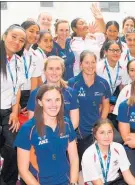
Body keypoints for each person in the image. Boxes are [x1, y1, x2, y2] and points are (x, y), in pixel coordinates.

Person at [14, 84, 79, 185]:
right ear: (40, 102)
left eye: (57, 100)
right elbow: (23, 170)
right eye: (48, 100)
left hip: (66, 181)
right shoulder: (28, 129)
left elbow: (74, 157)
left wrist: (74, 182)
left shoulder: (66, 123)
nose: (54, 104)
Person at [68, 50, 112, 167]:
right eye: (87, 63)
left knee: (95, 163)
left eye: (93, 62)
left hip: (95, 129)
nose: (90, 66)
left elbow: (106, 105)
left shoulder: (103, 83)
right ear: (80, 65)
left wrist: (100, 125)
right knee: (79, 164)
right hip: (78, 130)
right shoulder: (72, 83)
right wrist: (71, 131)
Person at [0, 24, 26, 185]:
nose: (17, 42)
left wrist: (15, 112)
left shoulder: (19, 61)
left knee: (14, 145)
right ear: (4, 36)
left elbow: (17, 90)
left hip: (8, 111)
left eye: (21, 40)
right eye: (13, 37)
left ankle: (8, 180)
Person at [27, 56, 79, 130]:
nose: (54, 72)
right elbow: (31, 121)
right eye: (51, 69)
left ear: (62, 71)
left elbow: (75, 122)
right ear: (44, 71)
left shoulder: (71, 93)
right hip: (42, 137)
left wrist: (62, 136)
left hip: (65, 136)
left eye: (58, 69)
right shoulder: (35, 93)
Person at [82, 118, 135, 185]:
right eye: (102, 133)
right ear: (95, 135)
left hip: (115, 182)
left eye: (109, 132)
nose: (107, 136)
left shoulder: (119, 148)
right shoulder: (88, 154)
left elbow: (127, 175)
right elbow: (97, 182)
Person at [70, 5, 106, 76]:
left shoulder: (94, 37)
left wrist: (100, 19)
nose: (85, 25)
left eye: (85, 23)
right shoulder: (71, 42)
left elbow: (104, 32)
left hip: (97, 75)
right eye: (81, 23)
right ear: (74, 28)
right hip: (79, 77)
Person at [19, 21, 41, 110]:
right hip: (12, 94)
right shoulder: (14, 52)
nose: (34, 35)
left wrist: (31, 103)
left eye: (37, 33)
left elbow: (35, 80)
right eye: (31, 31)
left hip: (28, 95)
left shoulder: (35, 55)